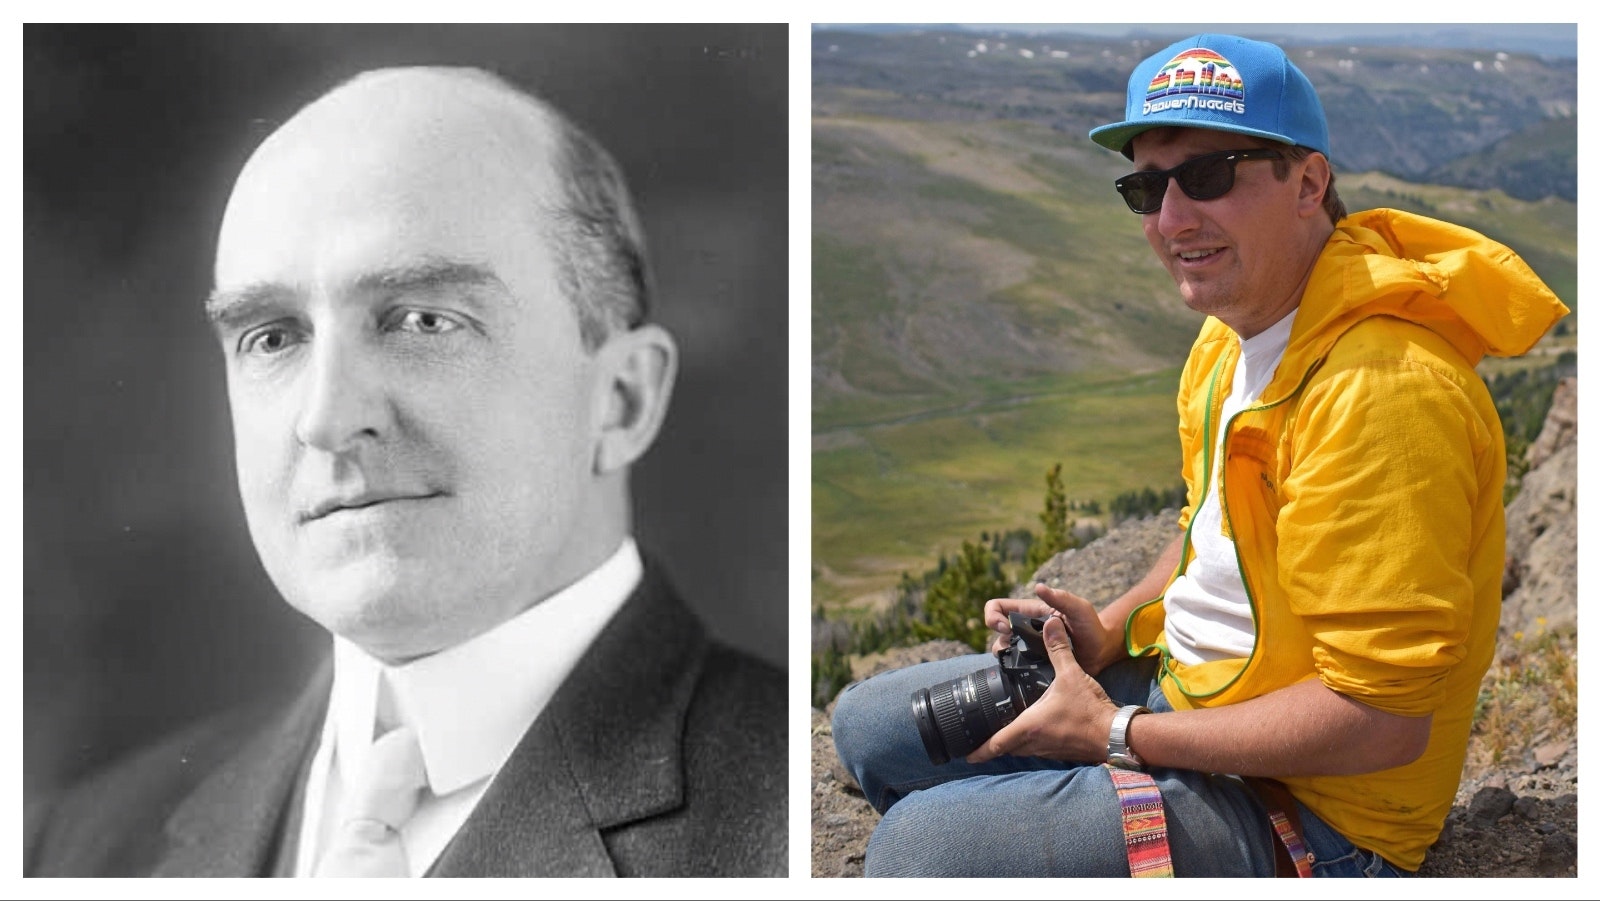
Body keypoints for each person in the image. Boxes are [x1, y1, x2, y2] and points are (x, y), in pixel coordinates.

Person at [831, 33, 1568, 877]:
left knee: (917, 850)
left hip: (1317, 805)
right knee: (869, 729)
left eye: (1209, 175)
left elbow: (1382, 718)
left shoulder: (1384, 391)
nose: (1173, 220)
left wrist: (1114, 732)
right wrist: (1107, 633)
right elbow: (1210, 525)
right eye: (1146, 187)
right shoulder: (1231, 339)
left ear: (1309, 182)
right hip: (1190, 691)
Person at [26, 66, 785, 878]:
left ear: (623, 399)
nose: (324, 417)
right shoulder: (78, 846)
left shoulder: (784, 825)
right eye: (273, 336)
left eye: (423, 319)